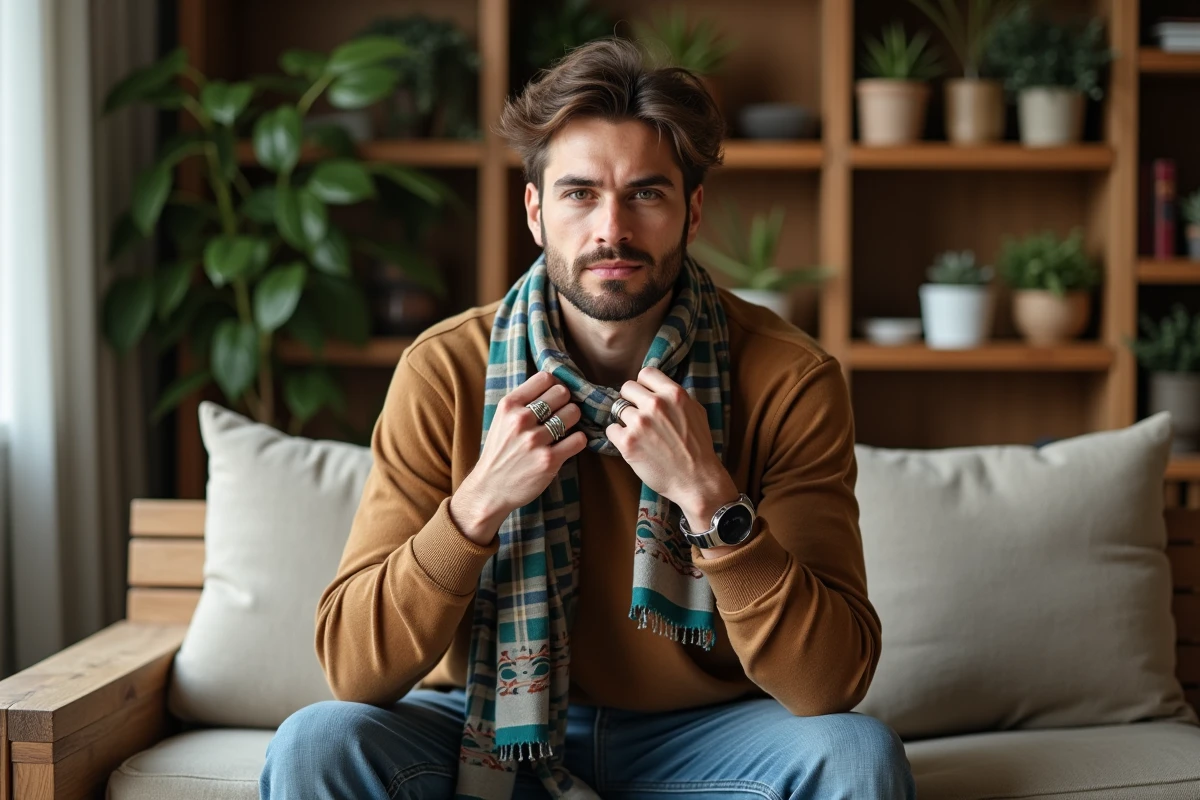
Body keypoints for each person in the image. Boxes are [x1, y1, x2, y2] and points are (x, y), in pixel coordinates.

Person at [260, 37, 915, 800]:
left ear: (692, 211)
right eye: (579, 194)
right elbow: (352, 666)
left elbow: (831, 681)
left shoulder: (788, 377)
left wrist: (709, 497)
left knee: (856, 756)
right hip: (486, 727)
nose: (612, 229)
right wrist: (477, 505)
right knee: (318, 742)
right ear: (535, 212)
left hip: (706, 740)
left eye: (646, 193)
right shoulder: (444, 369)